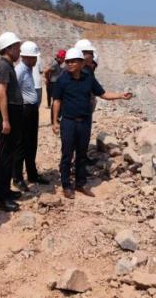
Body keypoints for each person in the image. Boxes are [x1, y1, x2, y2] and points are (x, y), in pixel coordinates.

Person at [52, 48, 133, 199]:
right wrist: (55, 121)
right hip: (68, 122)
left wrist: (121, 95)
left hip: (84, 122)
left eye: (73, 61)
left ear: (81, 63)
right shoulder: (62, 80)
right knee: (67, 154)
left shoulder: (88, 78)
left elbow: (103, 94)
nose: (69, 64)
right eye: (68, 62)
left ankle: (80, 183)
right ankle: (66, 185)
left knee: (82, 154)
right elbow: (56, 101)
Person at [0, 31, 24, 212]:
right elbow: (1, 93)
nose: (19, 51)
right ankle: (0, 199)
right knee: (4, 157)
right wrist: (5, 119)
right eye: (17, 47)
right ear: (9, 48)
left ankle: (6, 191)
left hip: (13, 113)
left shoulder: (8, 65)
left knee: (10, 155)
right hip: (8, 114)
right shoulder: (3, 66)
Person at [13, 41, 50, 191]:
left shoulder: (28, 69)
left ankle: (32, 174)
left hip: (31, 110)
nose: (36, 60)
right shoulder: (19, 70)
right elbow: (12, 91)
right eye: (34, 57)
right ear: (27, 57)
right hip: (24, 111)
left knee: (31, 143)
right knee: (21, 145)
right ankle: (17, 178)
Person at [44, 49, 66, 114]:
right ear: (59, 58)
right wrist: (47, 79)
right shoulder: (55, 63)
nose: (63, 60)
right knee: (55, 100)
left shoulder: (58, 64)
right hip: (53, 84)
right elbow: (46, 71)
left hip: (55, 83)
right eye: (63, 59)